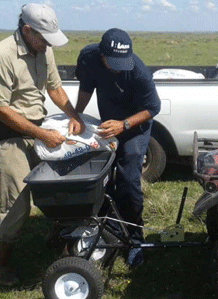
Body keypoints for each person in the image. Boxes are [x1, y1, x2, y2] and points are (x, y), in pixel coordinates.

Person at [0, 3, 85, 286]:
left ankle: (60, 239)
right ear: (26, 30)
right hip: (10, 134)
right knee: (17, 204)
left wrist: (73, 115)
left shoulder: (44, 49)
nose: (48, 44)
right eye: (43, 38)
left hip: (40, 128)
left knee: (62, 187)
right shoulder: (0, 56)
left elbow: (54, 86)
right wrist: (41, 135)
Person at [73, 28, 161, 268]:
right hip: (108, 124)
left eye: (123, 62)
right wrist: (76, 116)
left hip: (134, 126)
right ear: (101, 55)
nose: (119, 67)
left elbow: (153, 107)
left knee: (129, 178)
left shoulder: (138, 71)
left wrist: (124, 125)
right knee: (101, 175)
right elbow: (86, 88)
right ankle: (108, 226)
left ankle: (135, 240)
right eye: (113, 62)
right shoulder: (89, 58)